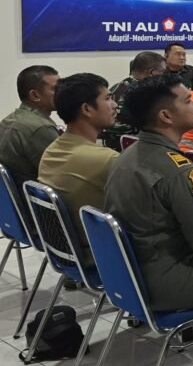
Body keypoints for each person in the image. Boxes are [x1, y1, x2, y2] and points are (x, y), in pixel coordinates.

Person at [104, 74, 193, 311]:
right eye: (187, 101)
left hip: (128, 274)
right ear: (166, 116)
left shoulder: (127, 155)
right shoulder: (177, 170)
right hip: (167, 281)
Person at [38, 73, 119, 261]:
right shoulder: (106, 159)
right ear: (87, 109)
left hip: (68, 252)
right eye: (107, 98)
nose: (114, 104)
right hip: (104, 257)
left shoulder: (52, 150)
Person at [0, 66, 60, 205]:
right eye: (55, 89)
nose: (63, 93)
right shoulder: (40, 128)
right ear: (35, 95)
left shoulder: (9, 120)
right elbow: (62, 178)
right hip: (39, 208)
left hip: (13, 205)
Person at [101, 50, 166, 149]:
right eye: (163, 72)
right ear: (152, 72)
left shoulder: (117, 86)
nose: (164, 76)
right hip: (131, 145)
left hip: (107, 142)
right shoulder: (145, 91)